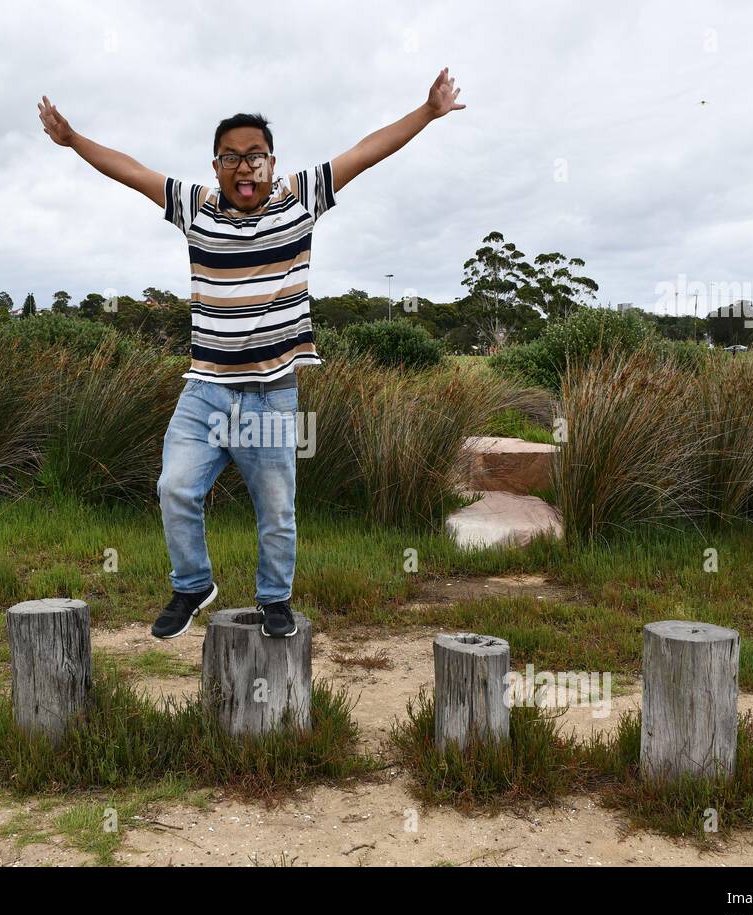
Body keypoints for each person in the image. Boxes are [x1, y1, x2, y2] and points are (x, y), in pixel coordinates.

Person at [37, 68, 465, 639]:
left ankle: (275, 600)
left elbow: (365, 152)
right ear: (215, 166)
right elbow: (132, 170)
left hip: (270, 395)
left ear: (271, 161)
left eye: (256, 155)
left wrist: (427, 113)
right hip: (205, 391)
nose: (245, 166)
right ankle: (191, 584)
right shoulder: (193, 206)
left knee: (276, 511)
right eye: (231, 156)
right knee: (174, 488)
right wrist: (73, 141)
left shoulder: (301, 198)